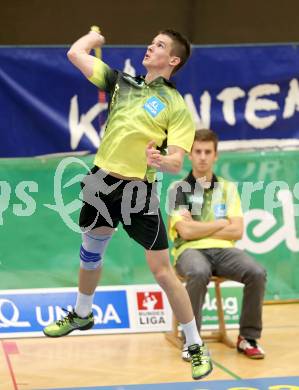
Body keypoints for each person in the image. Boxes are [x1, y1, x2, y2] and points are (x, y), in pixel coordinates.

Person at [43, 27, 213, 380]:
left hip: (138, 191)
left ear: (174, 60)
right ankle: (82, 313)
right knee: (90, 254)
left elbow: (177, 161)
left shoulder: (175, 106)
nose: (151, 46)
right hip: (101, 179)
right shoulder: (122, 82)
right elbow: (75, 53)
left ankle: (194, 343)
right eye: (153, 41)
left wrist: (159, 160)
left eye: (161, 45)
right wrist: (93, 39)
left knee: (163, 271)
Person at [168, 129, 267, 361]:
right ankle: (192, 341)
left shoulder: (228, 189)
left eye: (208, 152)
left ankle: (248, 338)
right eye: (198, 151)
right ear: (190, 155)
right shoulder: (178, 190)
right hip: (188, 251)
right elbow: (185, 230)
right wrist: (221, 223)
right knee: (199, 271)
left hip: (224, 251)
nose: (202, 156)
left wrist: (202, 226)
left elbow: (238, 230)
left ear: (215, 156)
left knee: (257, 272)